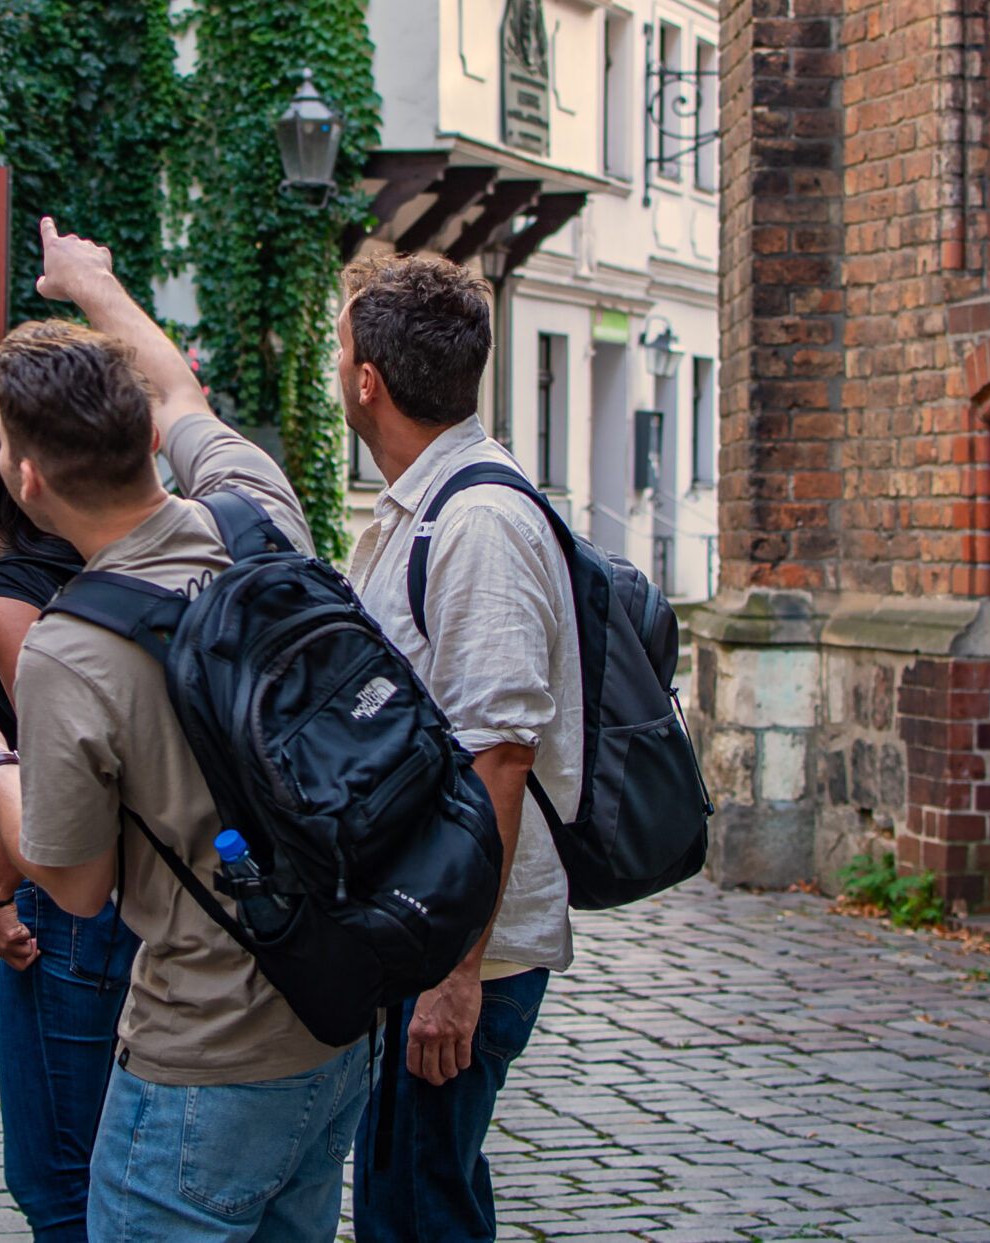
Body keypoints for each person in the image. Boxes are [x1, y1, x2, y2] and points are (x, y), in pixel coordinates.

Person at [0, 217, 370, 1243]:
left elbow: (73, 883)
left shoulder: (71, 648)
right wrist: (92, 285)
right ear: (153, 439)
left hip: (205, 1053)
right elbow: (179, 385)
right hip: (332, 1020)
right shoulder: (254, 506)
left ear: (26, 479)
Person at [334, 252, 583, 1243]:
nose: (337, 369)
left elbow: (500, 758)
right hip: (417, 928)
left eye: (340, 349)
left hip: (453, 945)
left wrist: (453, 971)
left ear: (368, 381)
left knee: (418, 1210)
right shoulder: (425, 508)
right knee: (413, 1194)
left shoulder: (475, 523)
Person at [0, 448, 139, 1242]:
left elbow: (53, 766)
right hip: (150, 884)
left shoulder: (11, 591)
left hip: (66, 898)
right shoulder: (138, 560)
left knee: (58, 1171)